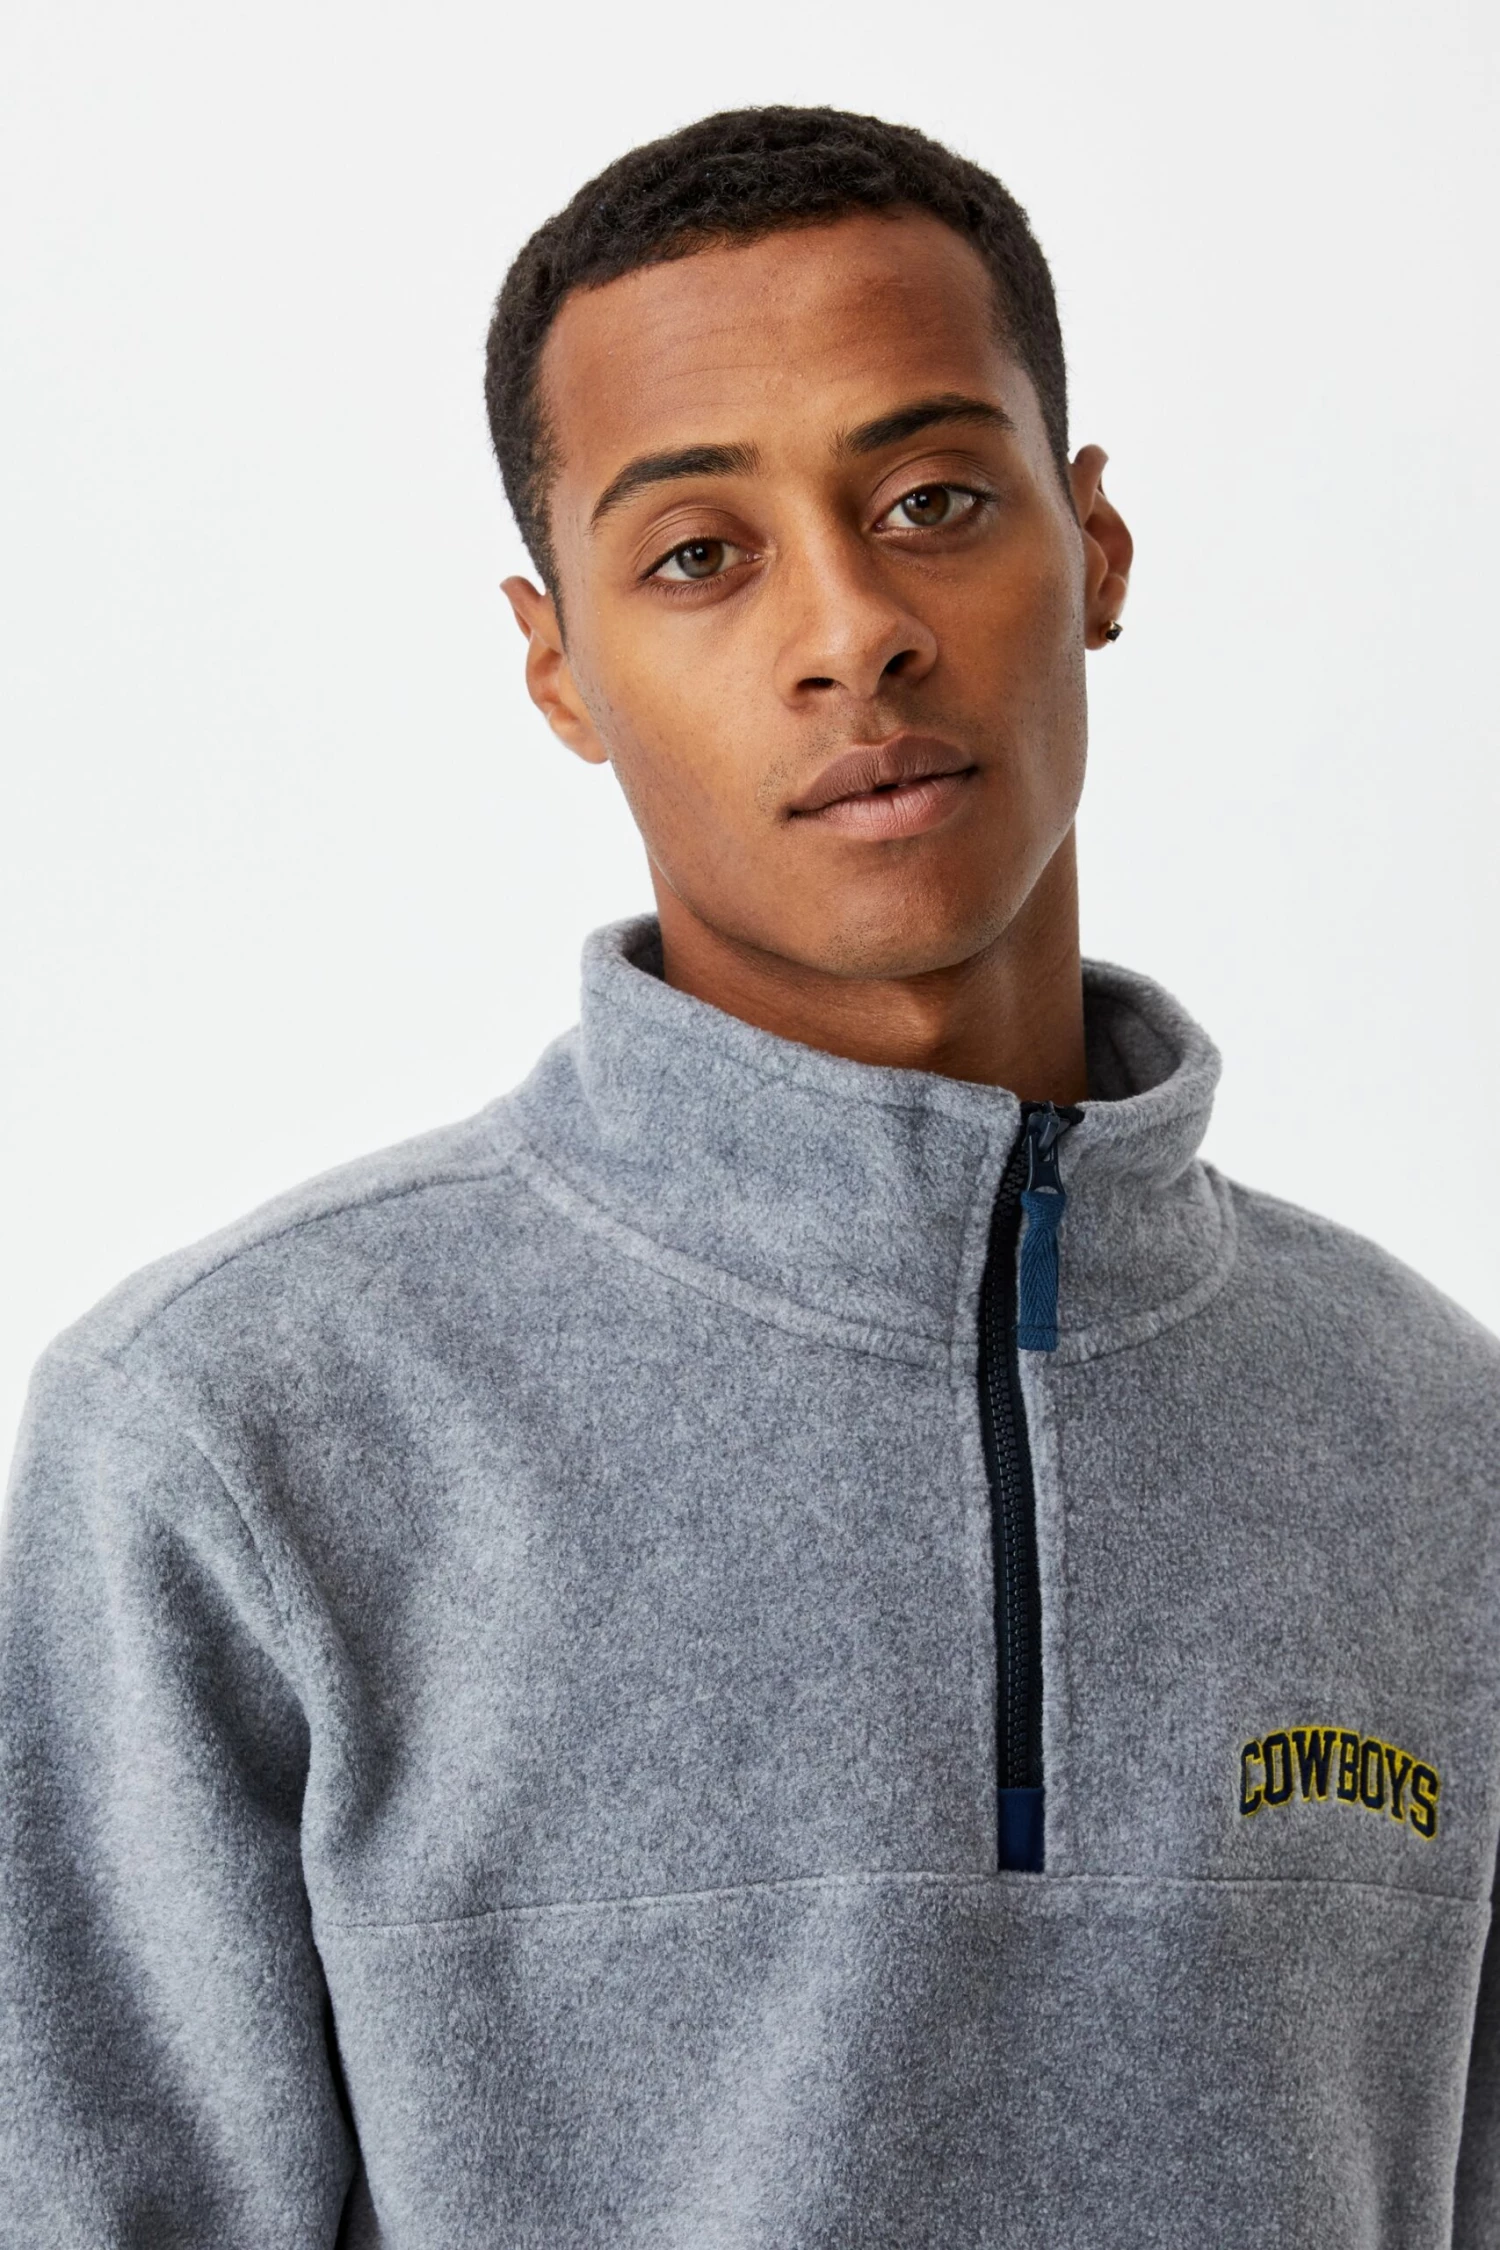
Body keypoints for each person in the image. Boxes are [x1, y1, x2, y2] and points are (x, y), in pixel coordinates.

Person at [1, 103, 1497, 2249]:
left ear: (1096, 549)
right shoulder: (232, 1443)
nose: (853, 628)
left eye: (932, 501)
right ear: (560, 666)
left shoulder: (1439, 1444)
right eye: (701, 553)